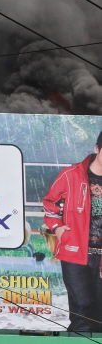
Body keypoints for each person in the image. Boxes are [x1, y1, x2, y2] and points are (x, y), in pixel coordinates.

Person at [42, 131, 102, 333]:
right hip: (75, 254)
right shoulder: (72, 175)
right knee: (82, 310)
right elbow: (49, 204)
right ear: (97, 149)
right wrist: (58, 227)